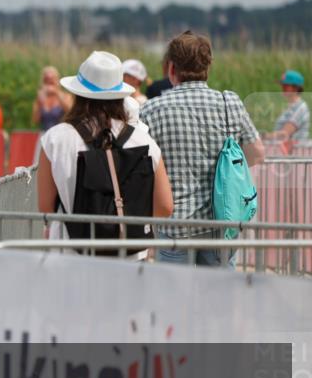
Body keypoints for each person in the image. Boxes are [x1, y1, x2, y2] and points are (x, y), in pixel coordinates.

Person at [139, 31, 265, 266]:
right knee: (218, 299)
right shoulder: (229, 102)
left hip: (175, 224)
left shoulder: (150, 110)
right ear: (207, 67)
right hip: (221, 222)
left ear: (171, 68)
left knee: (174, 301)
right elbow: (257, 153)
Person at [37, 51, 173, 241]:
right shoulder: (143, 140)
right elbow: (165, 206)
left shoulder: (54, 139)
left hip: (70, 253)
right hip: (128, 255)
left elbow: (45, 206)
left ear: (78, 93)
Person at [268, 70, 308, 144]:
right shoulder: (290, 107)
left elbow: (284, 134)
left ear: (296, 88)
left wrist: (263, 136)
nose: (282, 88)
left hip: (294, 152)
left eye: (286, 86)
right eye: (282, 85)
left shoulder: (300, 107)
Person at [32, 65, 71, 131]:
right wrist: (40, 103)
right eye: (46, 80)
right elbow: (35, 120)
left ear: (57, 80)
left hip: (61, 134)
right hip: (45, 134)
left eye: (52, 79)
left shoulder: (66, 96)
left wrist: (57, 93)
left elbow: (70, 112)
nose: (49, 83)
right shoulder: (40, 98)